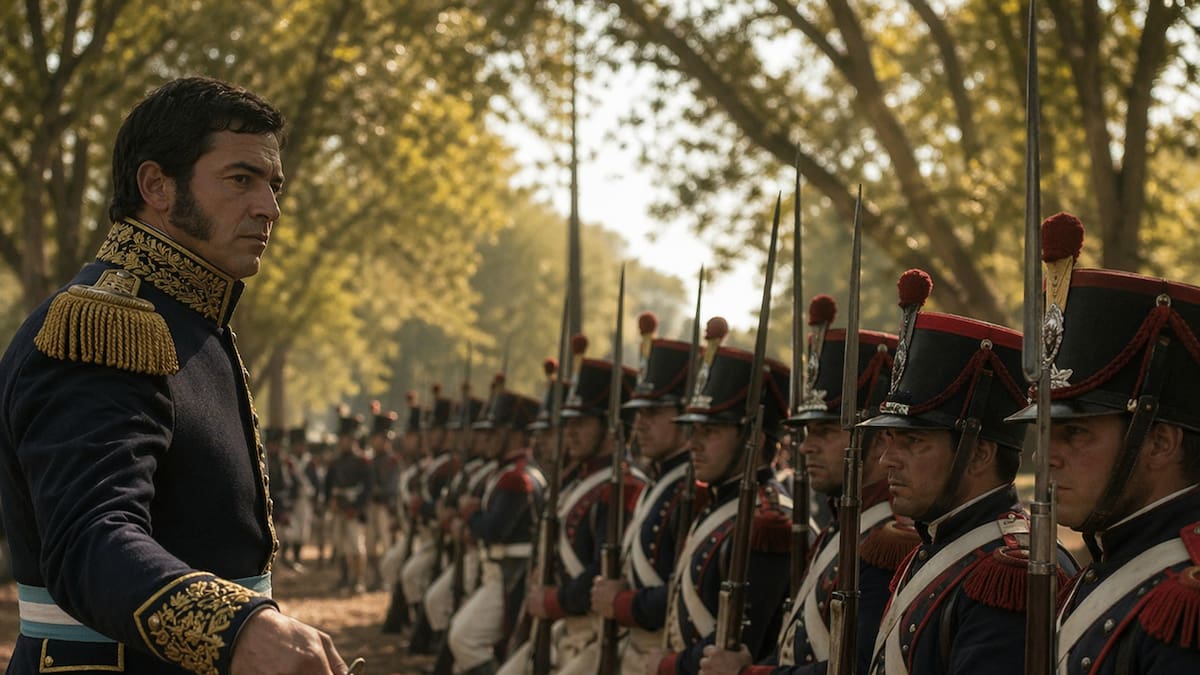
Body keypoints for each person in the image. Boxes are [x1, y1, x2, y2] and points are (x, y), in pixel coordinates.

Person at [0, 77, 349, 673]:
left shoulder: (190, 319)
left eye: (273, 185)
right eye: (241, 180)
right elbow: (91, 536)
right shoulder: (108, 324)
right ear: (157, 186)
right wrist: (238, 628)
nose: (269, 207)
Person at [856, 269, 1076, 674]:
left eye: (914, 442)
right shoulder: (938, 543)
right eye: (889, 440)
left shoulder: (1007, 574)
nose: (887, 459)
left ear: (978, 454)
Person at [1008, 213, 1200, 674]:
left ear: (1159, 443)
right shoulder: (1109, 558)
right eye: (1048, 433)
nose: (1045, 456)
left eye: (1075, 433)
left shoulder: (1184, 603)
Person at [700, 294, 917, 675]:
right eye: (805, 431)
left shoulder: (889, 542)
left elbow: (857, 665)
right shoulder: (844, 527)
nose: (806, 446)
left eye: (824, 431)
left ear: (879, 438)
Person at [651, 335, 794, 675]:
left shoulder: (768, 523)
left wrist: (672, 665)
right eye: (694, 429)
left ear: (754, 440)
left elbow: (742, 640)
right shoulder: (717, 504)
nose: (693, 443)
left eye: (711, 431)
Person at [584, 311, 703, 673]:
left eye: (654, 412)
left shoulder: (691, 490)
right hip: (630, 643)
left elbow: (680, 594)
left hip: (657, 647)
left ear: (684, 415)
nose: (641, 424)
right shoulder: (660, 482)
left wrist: (622, 602)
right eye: (639, 413)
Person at [448, 386, 546, 675]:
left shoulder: (516, 478)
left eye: (493, 432)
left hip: (510, 575)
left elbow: (493, 530)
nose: (484, 438)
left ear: (514, 434)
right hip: (499, 571)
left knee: (465, 638)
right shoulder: (508, 472)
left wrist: (470, 513)